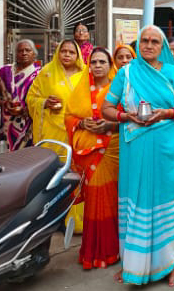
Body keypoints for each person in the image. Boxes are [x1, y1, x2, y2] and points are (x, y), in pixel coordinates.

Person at [101, 25, 174, 287]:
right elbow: (106, 108)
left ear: (162, 46)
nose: (149, 45)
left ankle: (169, 265)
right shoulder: (127, 73)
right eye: (144, 41)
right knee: (137, 201)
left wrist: (166, 113)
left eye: (155, 41)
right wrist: (125, 116)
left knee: (166, 203)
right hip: (136, 149)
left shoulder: (171, 72)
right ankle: (132, 263)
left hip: (167, 149)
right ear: (138, 43)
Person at [65, 48, 120, 270]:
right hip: (89, 153)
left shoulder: (118, 89)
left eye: (102, 62)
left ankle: (112, 249)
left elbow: (129, 118)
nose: (97, 66)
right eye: (94, 62)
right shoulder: (81, 90)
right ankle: (94, 251)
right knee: (94, 200)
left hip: (113, 150)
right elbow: (68, 116)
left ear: (110, 65)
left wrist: (109, 125)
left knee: (112, 200)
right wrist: (81, 124)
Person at [27, 39, 86, 231]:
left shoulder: (85, 74)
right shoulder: (47, 73)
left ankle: (75, 219)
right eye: (64, 51)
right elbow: (31, 97)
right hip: (53, 132)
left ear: (78, 55)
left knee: (76, 174)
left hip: (78, 131)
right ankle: (51, 217)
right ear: (58, 53)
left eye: (71, 52)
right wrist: (44, 102)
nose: (67, 55)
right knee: (54, 174)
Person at [0, 39, 39, 150]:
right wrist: (6, 104)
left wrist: (28, 109)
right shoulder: (5, 72)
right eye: (20, 51)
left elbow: (44, 100)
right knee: (10, 157)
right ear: (15, 54)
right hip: (9, 124)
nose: (24, 53)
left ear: (34, 54)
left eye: (27, 50)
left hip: (31, 124)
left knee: (29, 157)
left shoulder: (40, 74)